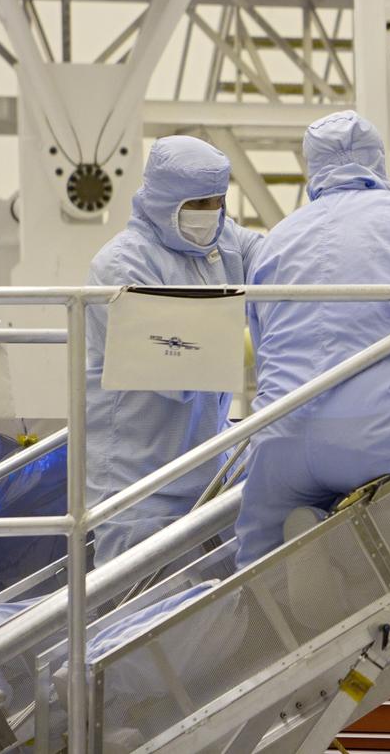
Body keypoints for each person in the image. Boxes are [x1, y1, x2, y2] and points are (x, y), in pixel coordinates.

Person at [234, 111, 390, 568]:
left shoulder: (275, 243)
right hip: (384, 433)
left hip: (280, 443)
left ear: (312, 168)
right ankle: (351, 555)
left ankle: (301, 542)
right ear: (378, 160)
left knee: (258, 571)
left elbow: (264, 342)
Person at [86, 135, 263, 565]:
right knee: (140, 621)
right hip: (139, 489)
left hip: (204, 480)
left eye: (218, 201)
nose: (210, 214)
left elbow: (281, 257)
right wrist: (255, 341)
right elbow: (176, 366)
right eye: (198, 204)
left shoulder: (222, 241)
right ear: (165, 201)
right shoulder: (122, 265)